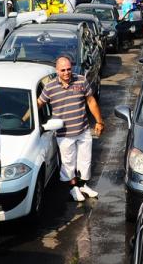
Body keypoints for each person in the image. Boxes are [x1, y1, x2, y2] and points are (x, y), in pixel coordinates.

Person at [38, 55, 106, 202]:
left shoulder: (81, 80)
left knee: (85, 160)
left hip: (83, 129)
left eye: (69, 69)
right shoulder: (50, 87)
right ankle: (73, 188)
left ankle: (83, 185)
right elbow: (39, 103)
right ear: (57, 71)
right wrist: (24, 118)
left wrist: (99, 121)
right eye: (63, 70)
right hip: (64, 133)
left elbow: (91, 101)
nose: (66, 72)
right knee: (69, 162)